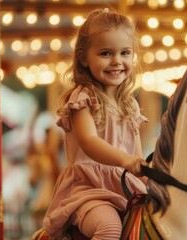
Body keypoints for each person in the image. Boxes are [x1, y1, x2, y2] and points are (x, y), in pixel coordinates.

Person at [42, 8, 148, 239]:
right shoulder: (83, 97)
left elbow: (136, 154)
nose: (117, 61)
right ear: (83, 57)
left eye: (125, 53)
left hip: (126, 189)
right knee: (109, 228)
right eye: (105, 53)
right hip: (89, 191)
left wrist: (149, 174)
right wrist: (125, 160)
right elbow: (89, 141)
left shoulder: (130, 105)